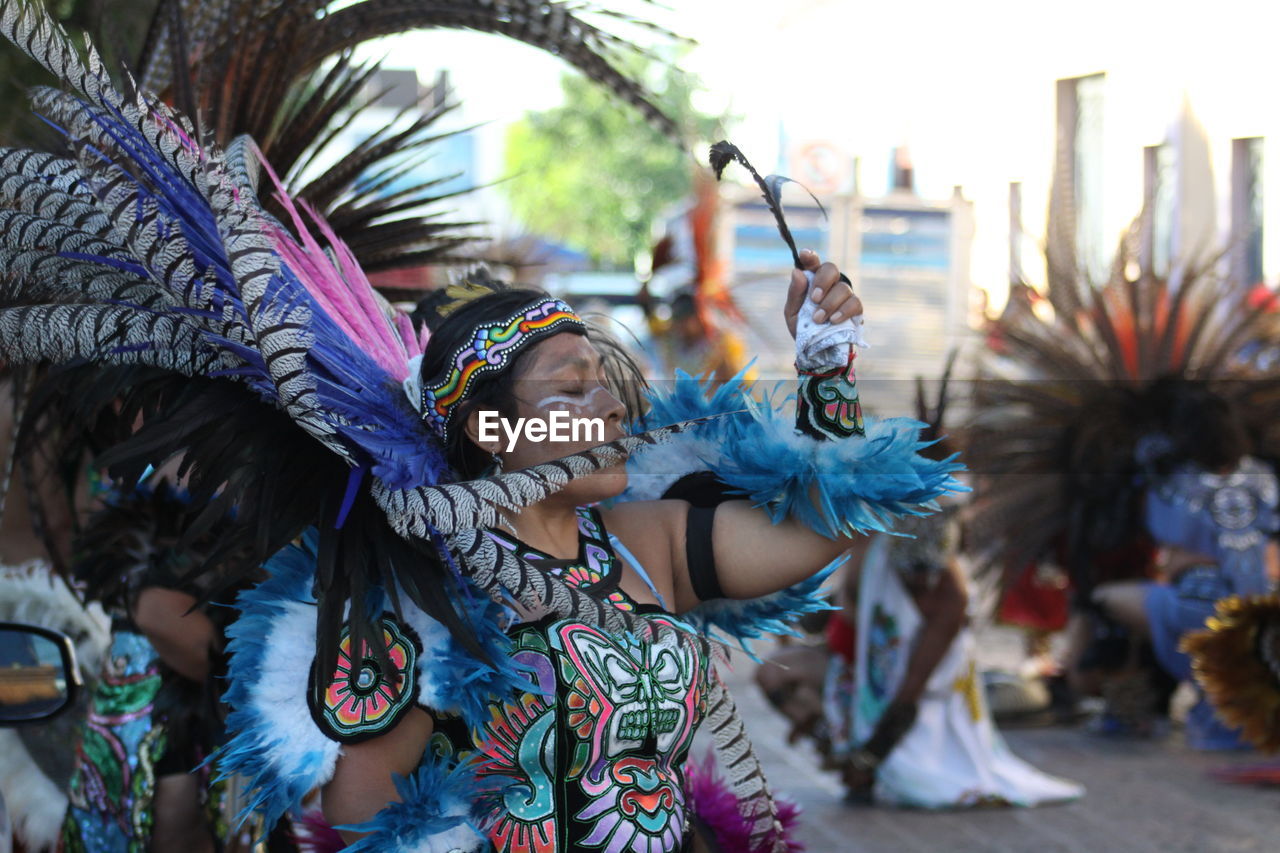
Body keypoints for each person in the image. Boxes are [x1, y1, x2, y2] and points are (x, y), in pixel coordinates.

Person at [825, 509, 1085, 808]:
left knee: (920, 782)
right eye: (912, 578)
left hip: (924, 703)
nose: (921, 585)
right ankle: (847, 757)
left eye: (927, 578)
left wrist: (870, 757)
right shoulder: (873, 552)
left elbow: (911, 691)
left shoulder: (950, 596)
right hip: (865, 681)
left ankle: (866, 765)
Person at [1091, 396, 1280, 749]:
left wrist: (1195, 561)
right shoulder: (1264, 476)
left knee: (1106, 598)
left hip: (1207, 608)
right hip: (1265, 606)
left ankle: (1129, 708)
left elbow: (1172, 557)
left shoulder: (1172, 482)